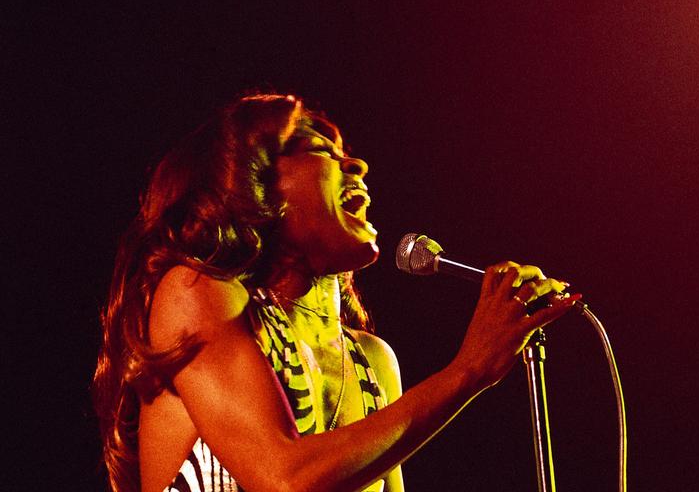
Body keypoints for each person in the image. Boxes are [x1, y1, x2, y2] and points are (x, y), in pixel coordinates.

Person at [93, 93, 580, 492]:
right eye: (323, 151)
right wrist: (469, 369)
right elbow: (282, 478)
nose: (359, 165)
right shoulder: (196, 293)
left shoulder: (372, 362)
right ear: (255, 181)